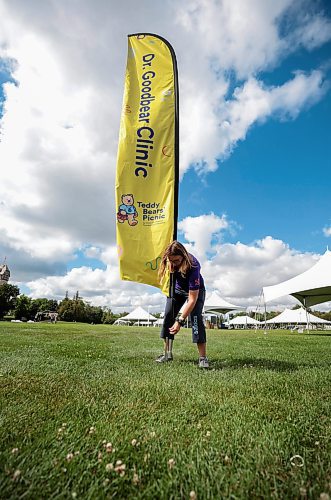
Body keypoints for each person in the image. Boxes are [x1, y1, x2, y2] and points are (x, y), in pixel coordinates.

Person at [156, 241, 209, 368]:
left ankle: (203, 358)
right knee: (168, 316)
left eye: (177, 261)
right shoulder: (170, 261)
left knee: (196, 318)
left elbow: (192, 299)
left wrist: (179, 321)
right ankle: (167, 353)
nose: (173, 263)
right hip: (177, 291)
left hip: (195, 291)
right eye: (171, 261)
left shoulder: (194, 265)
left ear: (183, 256)